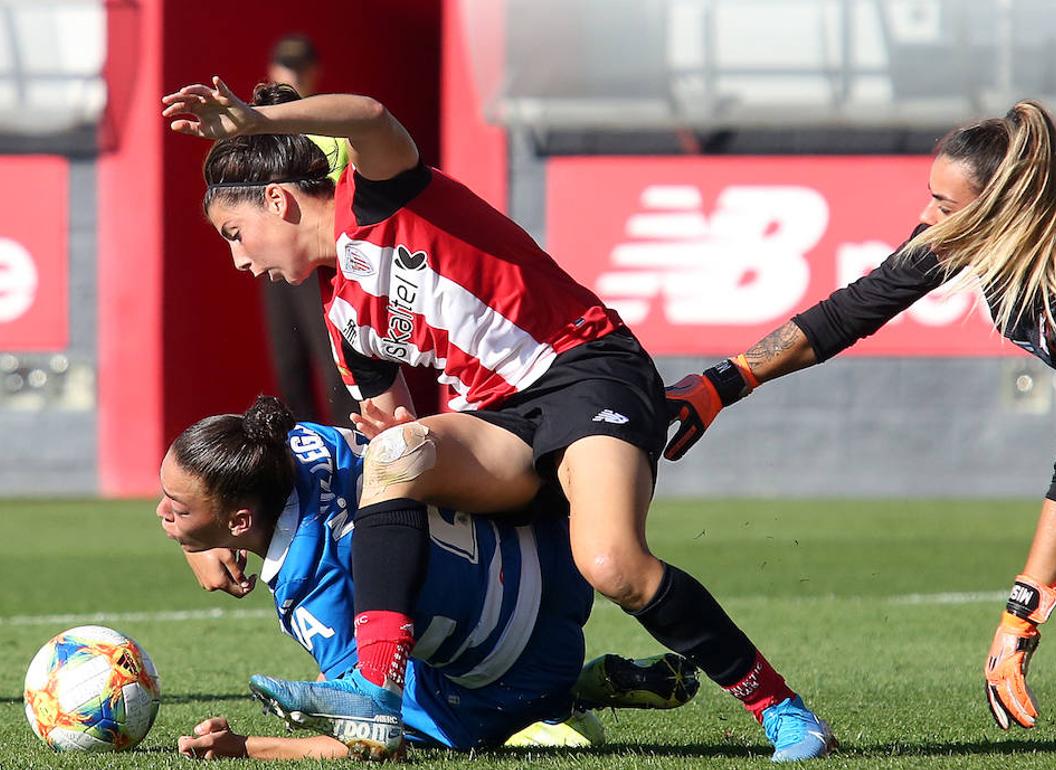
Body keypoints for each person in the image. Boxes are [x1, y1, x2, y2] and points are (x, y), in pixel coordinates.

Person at [159, 78, 832, 762]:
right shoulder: (342, 318)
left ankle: (783, 712)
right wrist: (209, 532)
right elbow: (399, 436)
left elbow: (371, 113)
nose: (241, 260)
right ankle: (378, 694)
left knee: (614, 565)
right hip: (500, 424)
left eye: (235, 234)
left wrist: (253, 121)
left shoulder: (382, 197)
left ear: (278, 200)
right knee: (394, 456)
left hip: (585, 369)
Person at [665, 100, 1056, 755]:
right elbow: (853, 310)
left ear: (1001, 214)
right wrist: (725, 381)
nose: (926, 217)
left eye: (945, 205)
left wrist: (1022, 611)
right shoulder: (1010, 221)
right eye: (931, 198)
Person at [159, 395, 700, 760]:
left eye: (176, 509)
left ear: (241, 521)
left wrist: (248, 747)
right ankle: (574, 685)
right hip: (553, 552)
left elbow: (378, 738)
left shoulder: (311, 594)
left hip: (523, 671)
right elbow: (225, 482)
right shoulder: (298, 442)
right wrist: (201, 538)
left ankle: (561, 700)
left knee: (354, 696)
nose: (161, 513)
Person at [261, 33, 356, 427]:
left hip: (322, 259)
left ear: (314, 73)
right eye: (286, 67)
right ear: (272, 70)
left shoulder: (331, 128)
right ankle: (302, 455)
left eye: (300, 69)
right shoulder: (260, 131)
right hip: (277, 258)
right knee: (289, 361)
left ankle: (351, 452)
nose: (292, 76)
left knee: (334, 362)